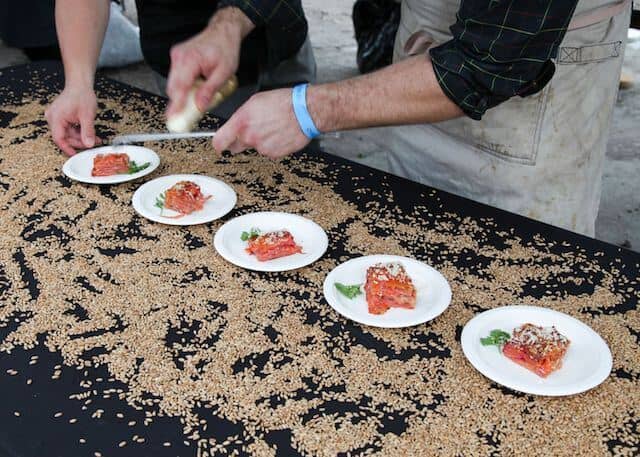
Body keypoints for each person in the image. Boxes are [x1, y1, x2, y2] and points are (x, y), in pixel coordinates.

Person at [211, 0, 631, 236]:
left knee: (519, 259)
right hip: (428, 30)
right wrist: (232, 21)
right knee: (407, 233)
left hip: (532, 66)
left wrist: (309, 109)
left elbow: (489, 64)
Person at [45, 0, 315, 156]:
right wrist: (77, 83)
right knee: (217, 166)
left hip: (280, 29)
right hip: (187, 60)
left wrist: (230, 24)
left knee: (306, 158)